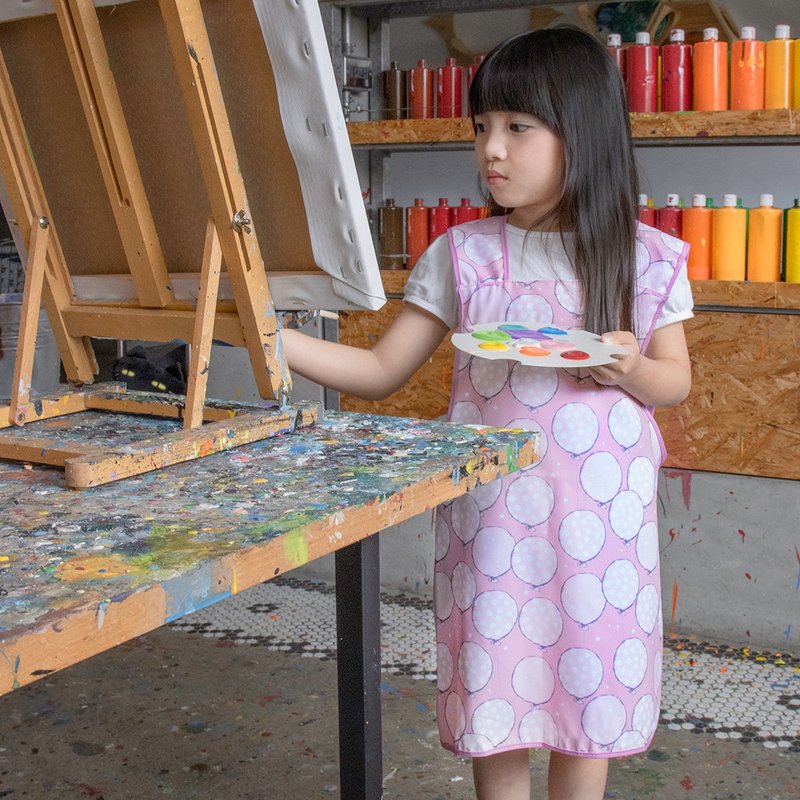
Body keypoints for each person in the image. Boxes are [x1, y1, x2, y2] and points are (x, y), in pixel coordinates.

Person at [281, 26, 692, 800]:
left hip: (602, 531)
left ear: (584, 132)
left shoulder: (640, 256)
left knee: (586, 687)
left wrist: (632, 366)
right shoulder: (463, 254)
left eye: (516, 127)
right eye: (481, 129)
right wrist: (277, 345)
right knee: (495, 686)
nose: (490, 150)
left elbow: (676, 381)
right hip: (493, 525)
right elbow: (377, 369)